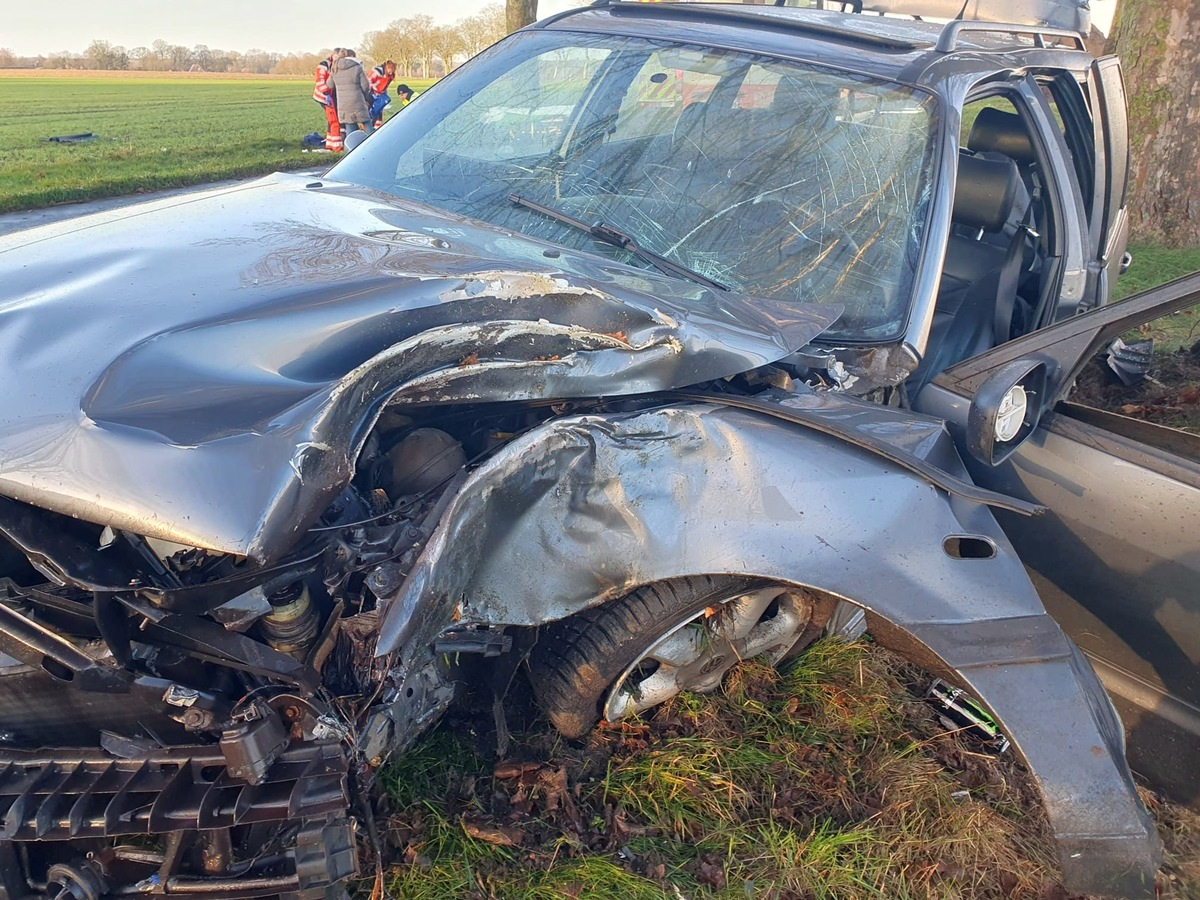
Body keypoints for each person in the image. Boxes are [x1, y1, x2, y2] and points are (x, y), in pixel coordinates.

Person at [329, 50, 373, 136]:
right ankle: (372, 141)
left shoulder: (335, 68)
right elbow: (365, 86)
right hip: (358, 101)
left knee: (349, 126)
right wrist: (364, 96)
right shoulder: (357, 67)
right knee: (366, 122)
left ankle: (351, 144)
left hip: (343, 103)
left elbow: (330, 85)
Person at [313, 48, 346, 152]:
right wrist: (327, 93)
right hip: (323, 96)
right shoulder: (324, 65)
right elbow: (320, 81)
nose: (338, 59)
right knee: (334, 120)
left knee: (331, 121)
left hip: (331, 95)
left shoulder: (335, 64)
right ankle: (336, 146)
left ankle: (330, 144)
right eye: (337, 57)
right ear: (333, 54)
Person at [367, 60, 396, 130]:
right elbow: (368, 81)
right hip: (371, 93)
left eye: (392, 69)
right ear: (386, 67)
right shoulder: (377, 71)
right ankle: (369, 127)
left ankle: (377, 127)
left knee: (379, 111)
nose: (391, 71)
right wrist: (374, 89)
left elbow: (385, 86)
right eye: (389, 69)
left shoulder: (391, 75)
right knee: (370, 111)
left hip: (381, 94)